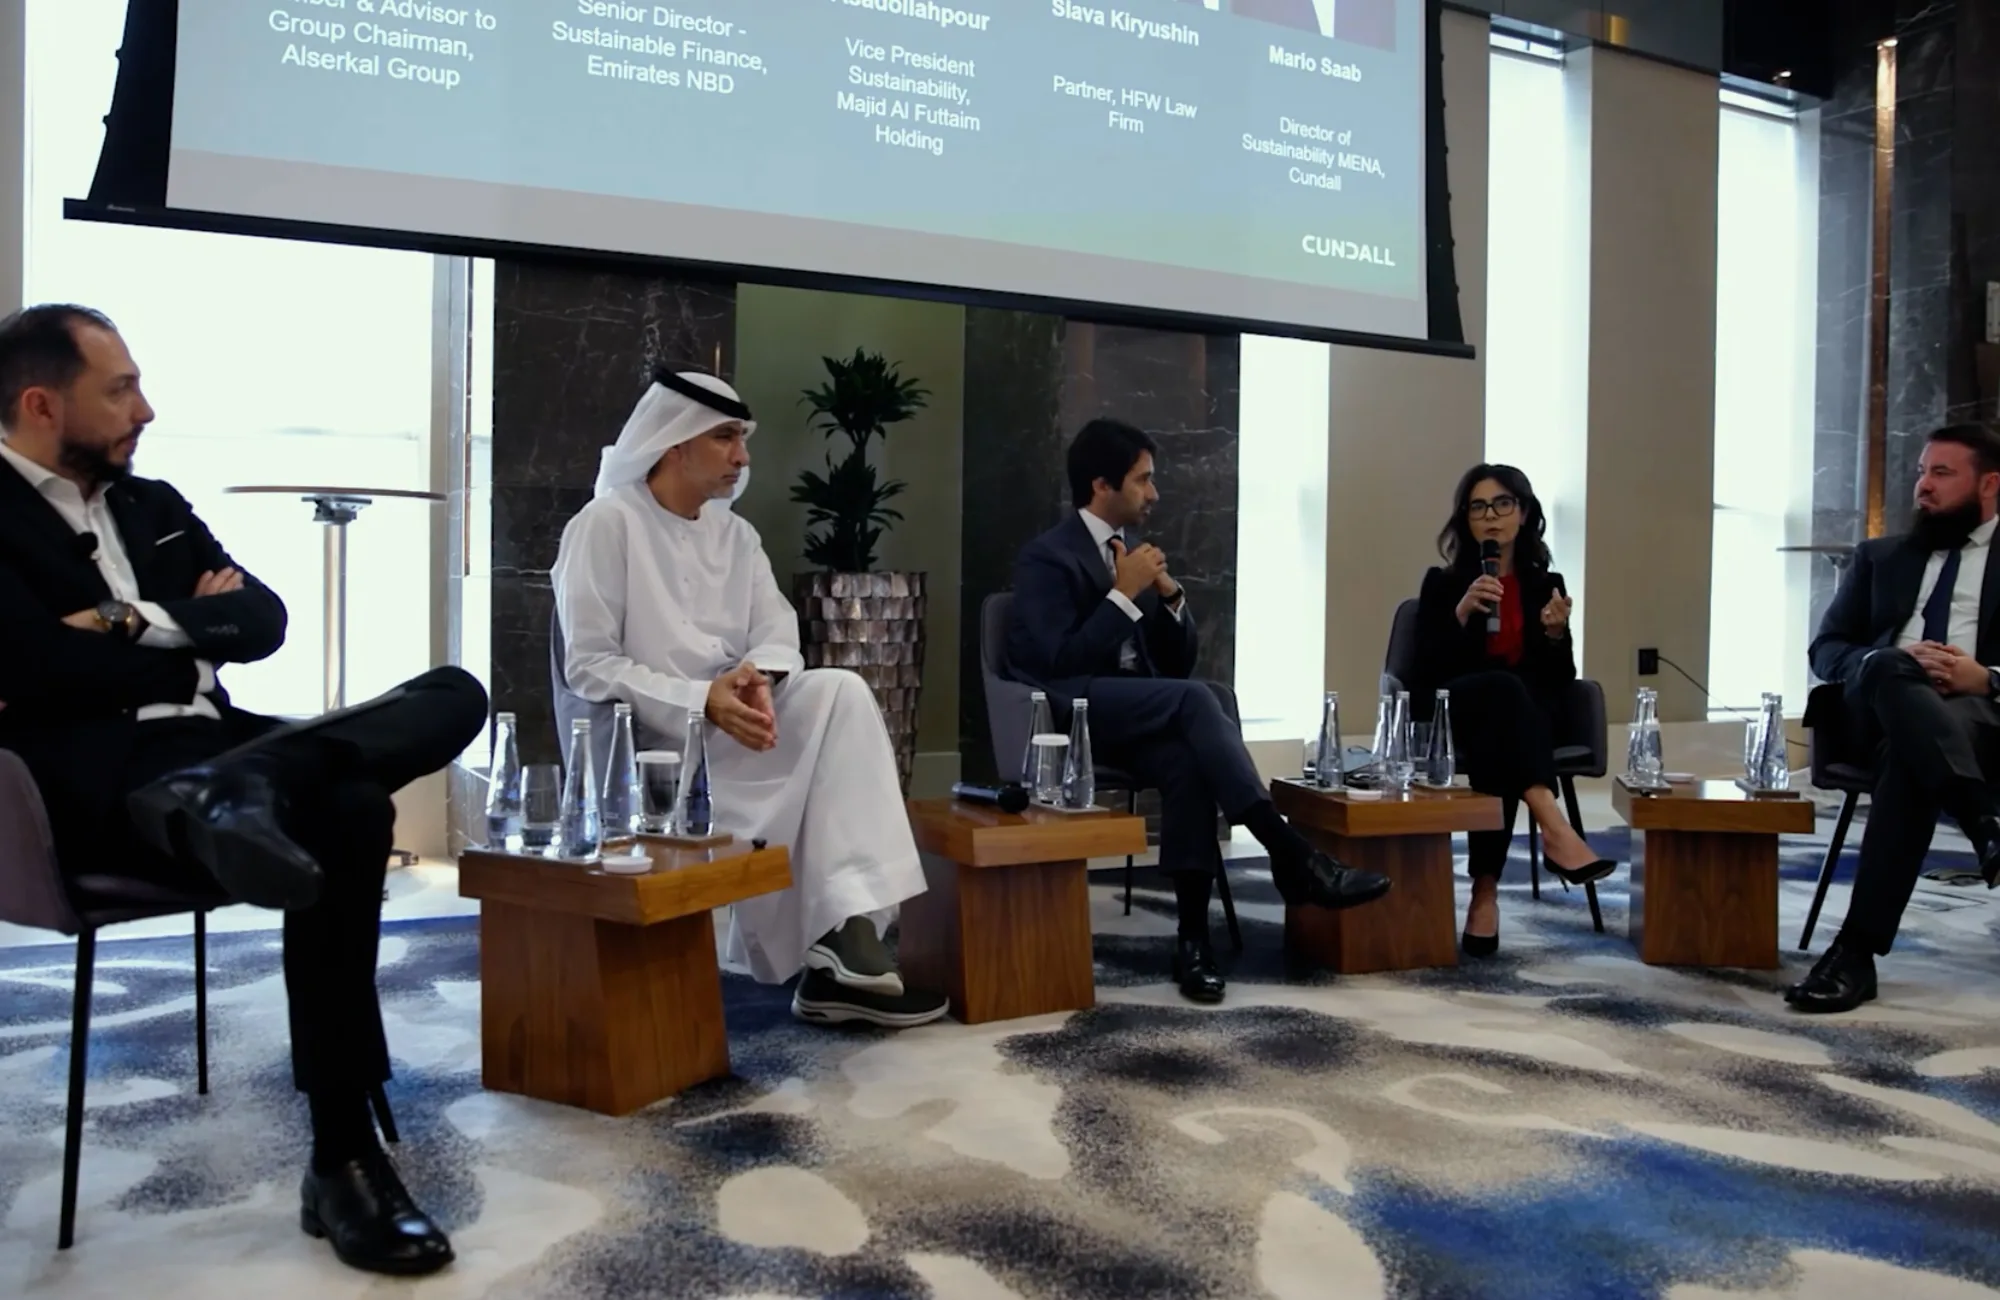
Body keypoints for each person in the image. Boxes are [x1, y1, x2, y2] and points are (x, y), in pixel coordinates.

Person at [0, 304, 487, 1276]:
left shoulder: (152, 502)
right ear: (43, 404)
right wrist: (185, 631)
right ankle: (343, 1157)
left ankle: (240, 785)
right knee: (349, 806)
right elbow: (36, 668)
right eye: (121, 388)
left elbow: (262, 620)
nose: (147, 408)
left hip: (216, 753)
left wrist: (124, 621)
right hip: (86, 787)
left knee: (453, 693)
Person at [551, 368, 949, 1029]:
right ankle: (833, 957)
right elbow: (588, 668)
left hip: (743, 728)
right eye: (727, 439)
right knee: (820, 754)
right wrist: (699, 699)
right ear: (676, 443)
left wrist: (755, 679)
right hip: (657, 755)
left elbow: (776, 632)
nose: (743, 457)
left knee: (839, 692)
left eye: (743, 440)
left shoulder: (737, 536)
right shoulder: (605, 526)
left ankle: (848, 933)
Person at [1007, 418, 1390, 1005]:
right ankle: (1289, 854)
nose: (1153, 495)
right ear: (1102, 484)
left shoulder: (1132, 554)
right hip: (1078, 715)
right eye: (1143, 480)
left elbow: (1175, 662)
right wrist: (1121, 595)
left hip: (1142, 714)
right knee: (1199, 698)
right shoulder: (1046, 559)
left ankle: (1193, 941)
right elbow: (1059, 662)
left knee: (1188, 761)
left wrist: (1168, 597)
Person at [1788, 423, 2000, 1015]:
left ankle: (1856, 952)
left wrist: (1984, 678)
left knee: (1908, 762)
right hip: (1873, 708)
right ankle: (1981, 815)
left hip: (1978, 715)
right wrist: (1889, 661)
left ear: (1989, 484)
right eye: (1921, 473)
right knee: (1885, 665)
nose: (1923, 487)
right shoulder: (1881, 557)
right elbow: (1827, 650)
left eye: (1941, 473)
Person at [1406, 464, 1617, 957]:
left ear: (1522, 514)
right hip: (1450, 710)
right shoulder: (1443, 583)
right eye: (1478, 507)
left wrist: (1554, 633)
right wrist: (1460, 614)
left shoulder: (1548, 584)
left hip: (1511, 723)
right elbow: (1423, 673)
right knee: (1501, 695)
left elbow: (1561, 679)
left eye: (1503, 505)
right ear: (1467, 521)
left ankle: (1485, 895)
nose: (1491, 517)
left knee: (1505, 721)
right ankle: (1553, 824)